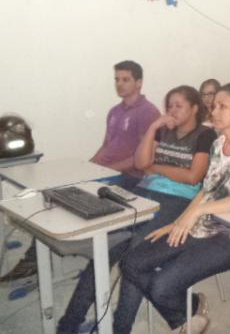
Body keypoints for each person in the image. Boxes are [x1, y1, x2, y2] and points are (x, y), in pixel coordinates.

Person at [111, 80, 230, 334]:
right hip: (202, 224)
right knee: (131, 262)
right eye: (214, 105)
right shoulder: (219, 144)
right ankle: (192, 314)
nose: (213, 111)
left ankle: (189, 314)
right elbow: (207, 190)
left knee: (162, 286)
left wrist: (197, 212)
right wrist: (178, 222)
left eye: (222, 106)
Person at [56, 85, 217, 334]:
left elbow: (194, 177)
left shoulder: (205, 135)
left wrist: (158, 168)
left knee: (134, 256)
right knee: (105, 249)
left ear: (194, 108)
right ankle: (69, 324)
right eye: (169, 105)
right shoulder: (163, 130)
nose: (172, 111)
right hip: (144, 192)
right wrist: (153, 128)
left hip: (178, 201)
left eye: (178, 105)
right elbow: (142, 164)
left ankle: (120, 328)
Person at [0, 60, 160, 285]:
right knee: (56, 193)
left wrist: (104, 169)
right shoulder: (115, 111)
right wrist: (90, 165)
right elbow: (107, 145)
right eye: (117, 79)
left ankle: (37, 260)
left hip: (128, 177)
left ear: (139, 82)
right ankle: (36, 258)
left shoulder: (148, 112)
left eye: (125, 80)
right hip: (105, 171)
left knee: (74, 202)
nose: (120, 84)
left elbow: (142, 159)